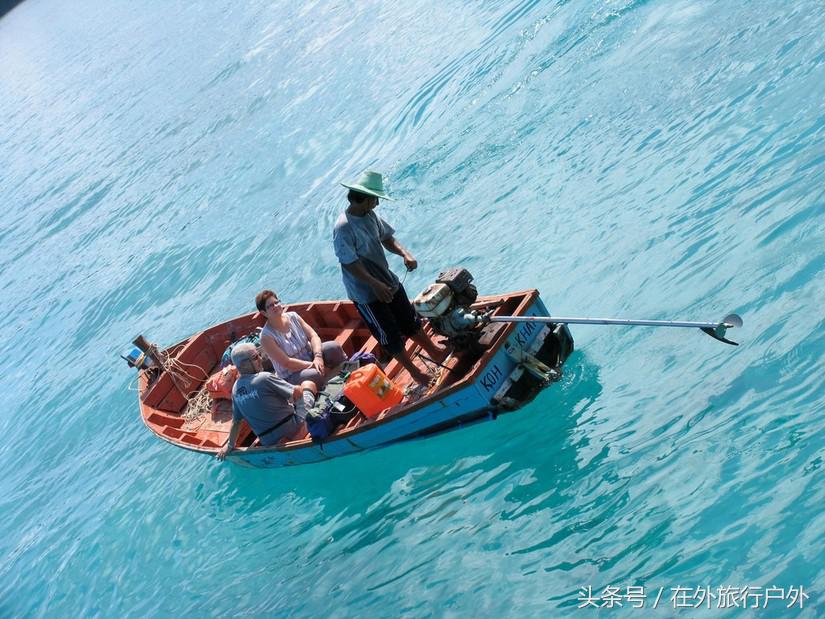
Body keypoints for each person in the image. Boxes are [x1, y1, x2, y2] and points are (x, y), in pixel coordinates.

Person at [332, 170, 446, 386]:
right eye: (375, 199)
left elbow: (387, 238)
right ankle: (415, 373)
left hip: (387, 280)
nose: (376, 204)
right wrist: (374, 285)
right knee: (389, 336)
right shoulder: (343, 228)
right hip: (367, 293)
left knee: (410, 320)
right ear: (364, 198)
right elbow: (349, 263)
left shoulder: (370, 216)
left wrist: (405, 254)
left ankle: (434, 352)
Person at [216, 343, 316, 460]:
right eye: (255, 357)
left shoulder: (235, 390)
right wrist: (298, 390)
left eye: (259, 354)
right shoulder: (264, 378)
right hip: (293, 429)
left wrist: (229, 446)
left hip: (269, 442)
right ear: (243, 365)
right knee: (308, 385)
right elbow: (297, 393)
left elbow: (236, 422)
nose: (261, 358)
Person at [256, 289, 346, 390]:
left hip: (311, 357)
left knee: (334, 347)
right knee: (316, 374)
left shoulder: (293, 316)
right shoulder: (266, 336)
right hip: (292, 373)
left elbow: (313, 335)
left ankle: (349, 375)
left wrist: (318, 357)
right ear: (264, 313)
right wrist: (313, 365)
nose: (275, 306)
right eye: (270, 306)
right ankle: (335, 391)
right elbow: (287, 363)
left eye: (276, 302)